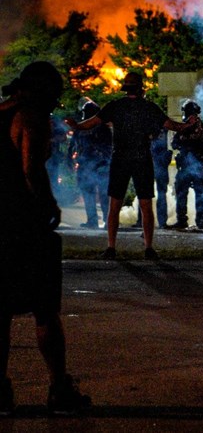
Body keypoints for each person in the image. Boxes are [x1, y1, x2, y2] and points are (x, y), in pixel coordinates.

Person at [1, 62, 91, 415]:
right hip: (25, 228)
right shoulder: (30, 117)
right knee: (45, 311)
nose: (55, 103)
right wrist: (49, 206)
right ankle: (59, 390)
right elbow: (30, 170)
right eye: (53, 95)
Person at [65, 71, 190, 260]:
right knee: (146, 205)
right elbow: (172, 125)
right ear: (141, 88)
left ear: (125, 88)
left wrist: (75, 125)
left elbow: (91, 123)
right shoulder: (149, 107)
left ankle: (111, 247)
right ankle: (148, 248)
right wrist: (187, 124)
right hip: (142, 158)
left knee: (114, 205)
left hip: (120, 159)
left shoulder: (116, 107)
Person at [67, 100, 112, 229]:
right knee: (88, 193)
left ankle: (107, 221)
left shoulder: (102, 128)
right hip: (86, 165)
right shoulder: (81, 128)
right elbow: (73, 146)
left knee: (103, 194)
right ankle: (93, 221)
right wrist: (70, 160)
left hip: (100, 166)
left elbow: (109, 148)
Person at [170, 100, 203, 232]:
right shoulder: (183, 127)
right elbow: (174, 144)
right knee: (182, 193)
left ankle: (199, 222)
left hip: (198, 165)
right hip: (186, 165)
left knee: (199, 193)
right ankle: (183, 220)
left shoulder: (202, 127)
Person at [150, 129, 172, 229]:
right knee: (145, 194)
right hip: (151, 163)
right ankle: (142, 220)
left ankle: (162, 221)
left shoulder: (162, 129)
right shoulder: (162, 128)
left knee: (161, 194)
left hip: (159, 164)